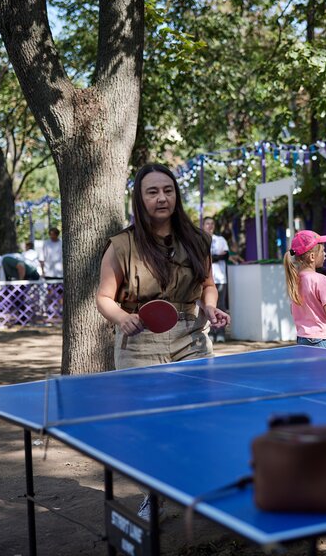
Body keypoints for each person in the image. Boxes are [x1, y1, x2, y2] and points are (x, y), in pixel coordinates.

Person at [96, 163, 230, 520]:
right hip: (140, 339)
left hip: (190, 335)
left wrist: (212, 308)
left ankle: (194, 486)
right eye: (152, 191)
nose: (161, 198)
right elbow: (104, 298)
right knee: (149, 424)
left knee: (197, 415)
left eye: (168, 190)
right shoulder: (121, 245)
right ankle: (153, 493)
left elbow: (208, 285)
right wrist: (122, 318)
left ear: (176, 195)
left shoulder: (197, 240)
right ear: (140, 199)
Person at [283, 230, 326, 349]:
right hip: (323, 339)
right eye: (323, 251)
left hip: (302, 338)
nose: (325, 254)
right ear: (312, 256)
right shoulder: (321, 279)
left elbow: (293, 310)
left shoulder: (295, 280)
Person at [201, 217, 233, 343]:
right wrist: (215, 257)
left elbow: (225, 255)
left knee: (220, 307)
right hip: (204, 279)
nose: (210, 226)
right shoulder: (199, 240)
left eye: (212, 223)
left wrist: (213, 257)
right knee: (207, 307)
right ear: (203, 225)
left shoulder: (220, 240)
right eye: (207, 223)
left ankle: (220, 333)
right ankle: (209, 333)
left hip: (220, 278)